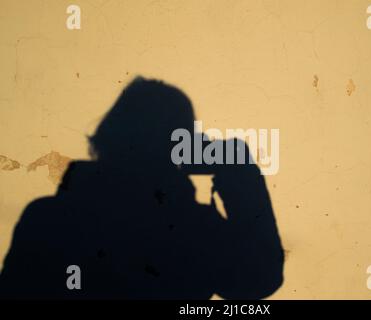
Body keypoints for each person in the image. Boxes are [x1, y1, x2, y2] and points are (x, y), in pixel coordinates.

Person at [0, 77, 284, 299]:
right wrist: (239, 170)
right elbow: (259, 278)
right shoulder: (192, 230)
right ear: (183, 150)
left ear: (109, 137)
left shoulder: (47, 219)